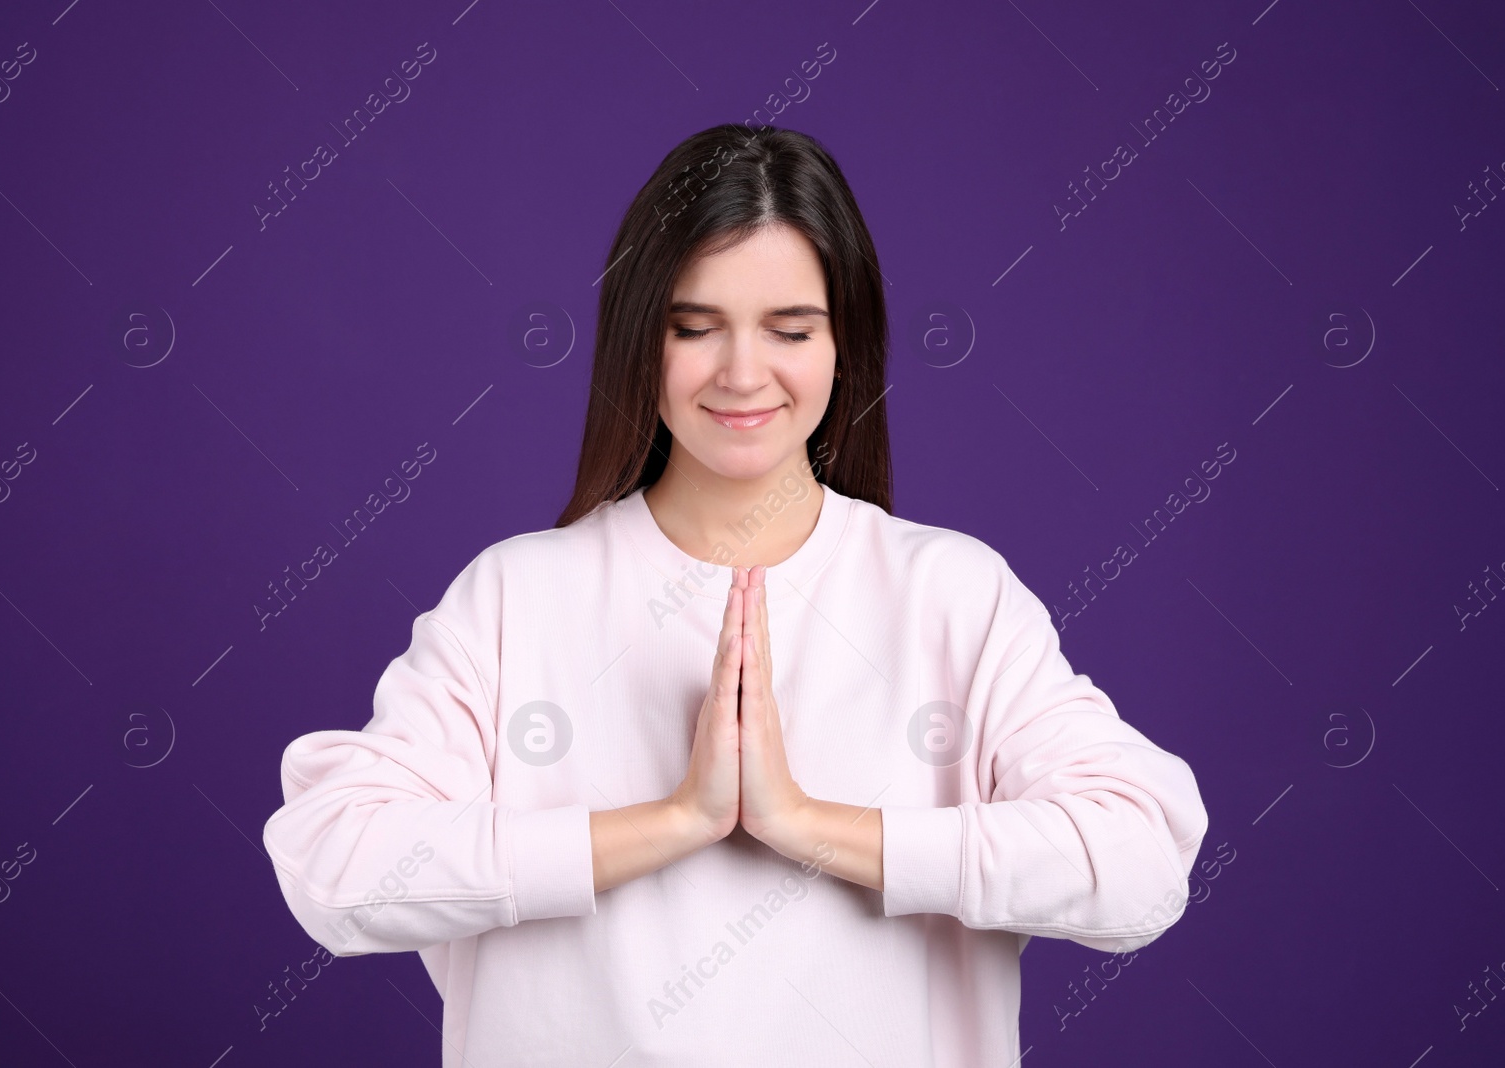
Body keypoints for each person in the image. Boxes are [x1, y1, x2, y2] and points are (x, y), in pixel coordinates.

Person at [262, 123, 1209, 1066]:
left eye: (790, 330)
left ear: (847, 343)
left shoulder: (951, 595)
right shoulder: (517, 596)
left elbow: (1142, 865)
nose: (743, 374)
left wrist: (810, 826)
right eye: (694, 328)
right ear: (641, 337)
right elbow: (333, 867)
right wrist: (673, 823)